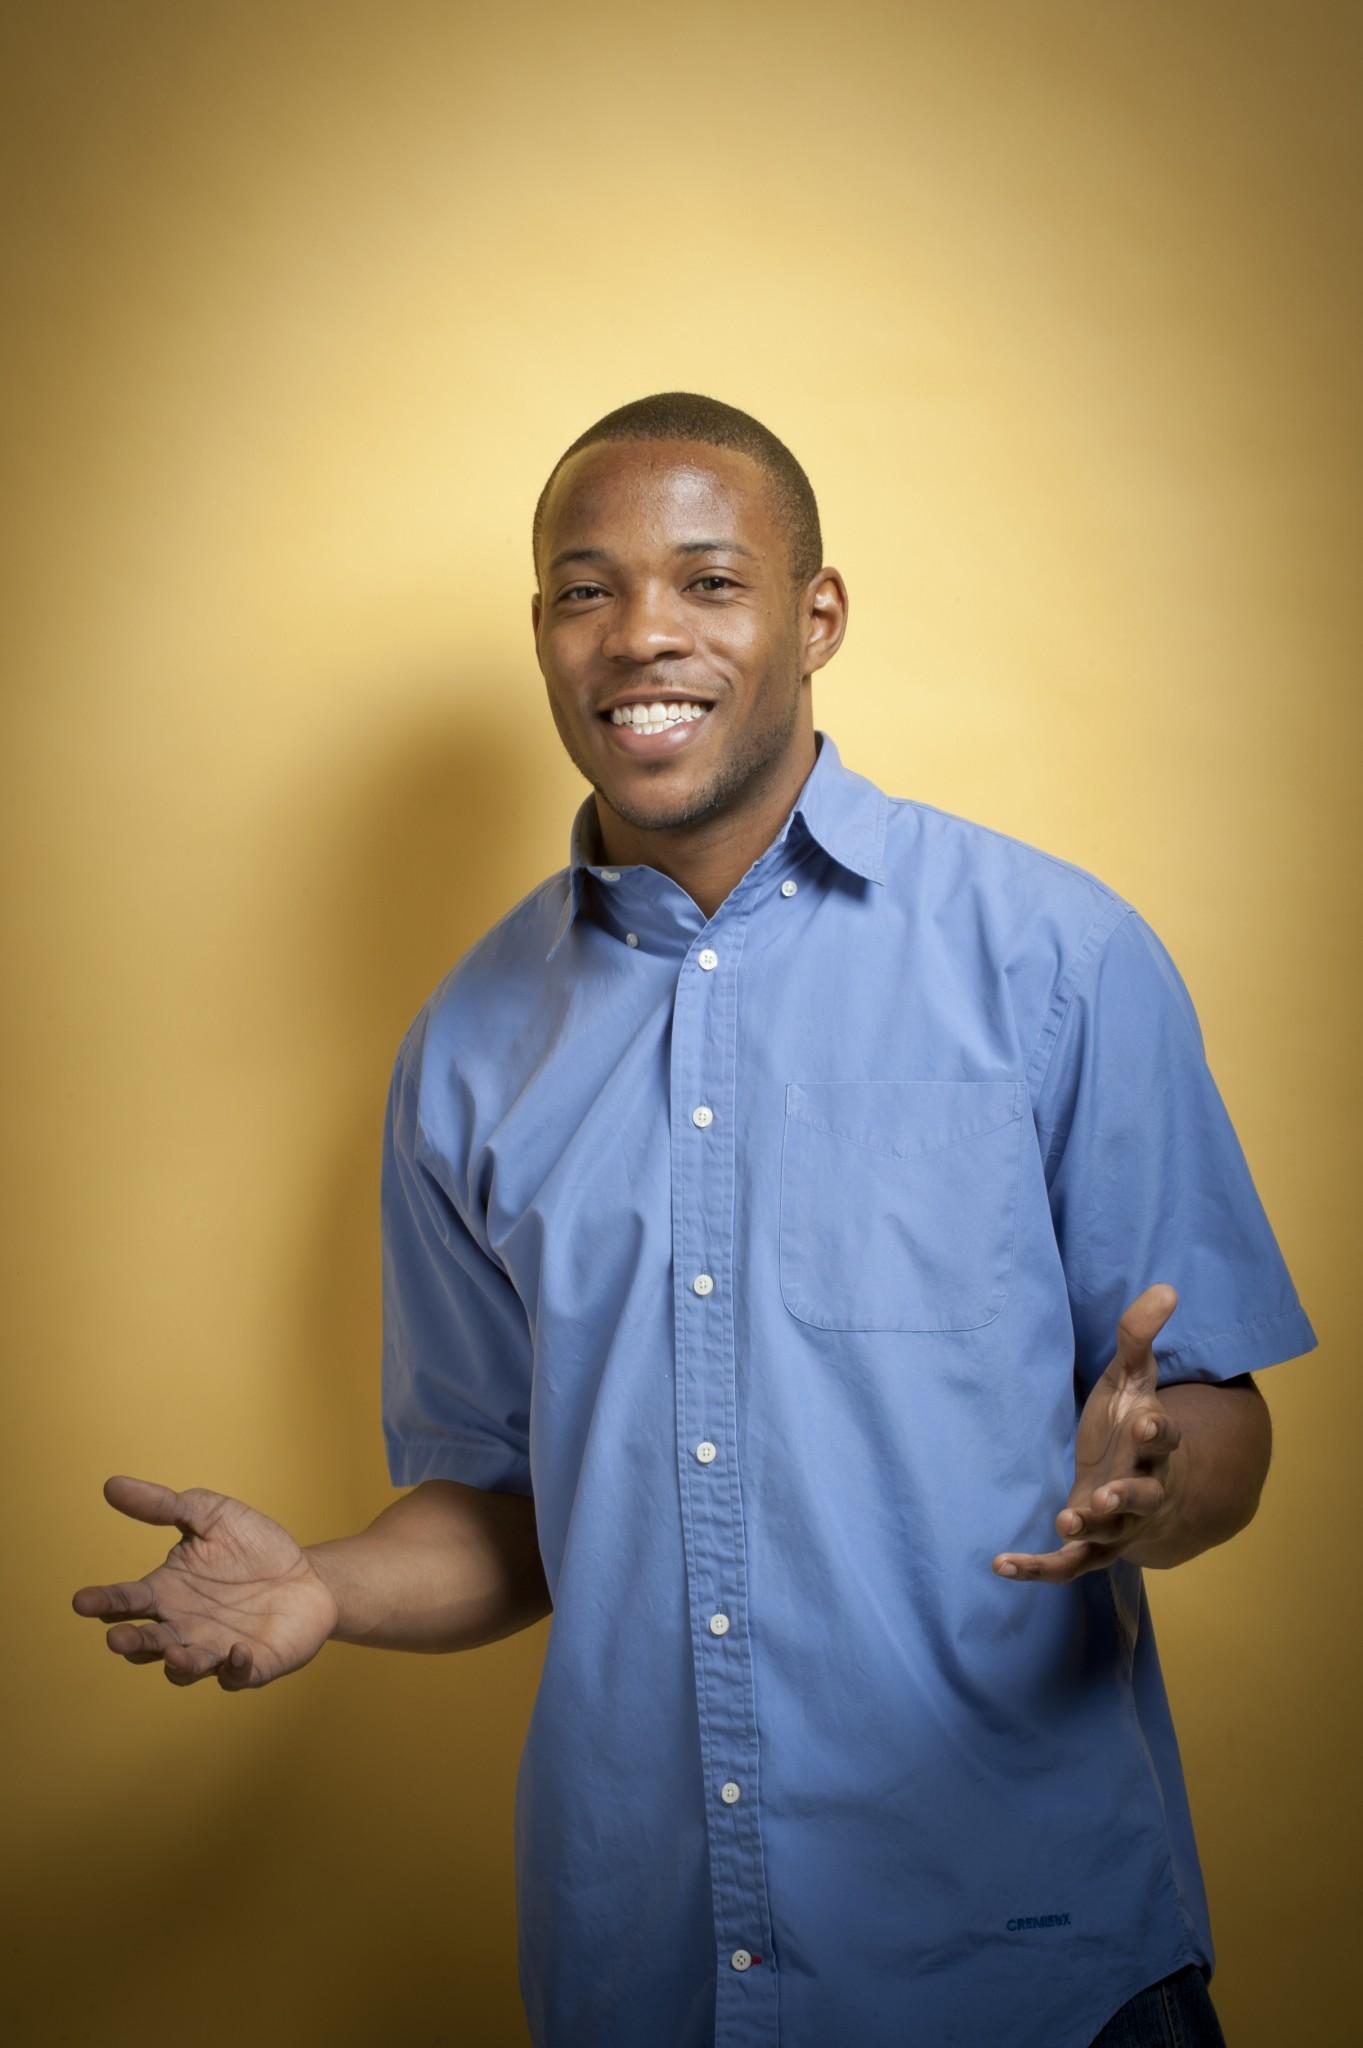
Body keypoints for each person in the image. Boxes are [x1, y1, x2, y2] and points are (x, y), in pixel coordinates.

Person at [73, 392, 1317, 2048]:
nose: (642, 633)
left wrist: (1159, 1492)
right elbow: (515, 1508)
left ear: (817, 619)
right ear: (543, 635)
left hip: (1027, 1962)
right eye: (588, 589)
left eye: (710, 583)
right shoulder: (463, 1048)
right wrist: (326, 1588)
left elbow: (1213, 1412)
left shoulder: (1057, 958)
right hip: (647, 1972)